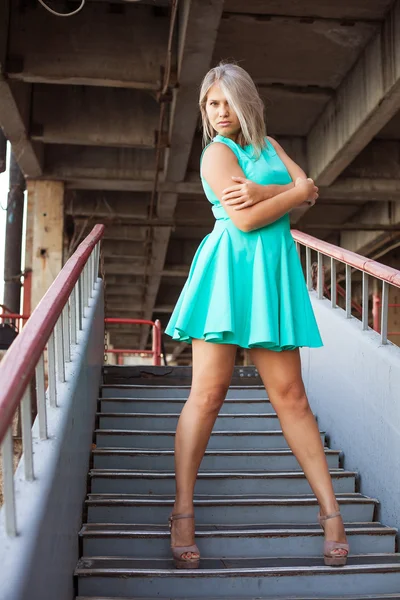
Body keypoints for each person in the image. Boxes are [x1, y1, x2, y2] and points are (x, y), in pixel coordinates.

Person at [164, 62, 349, 569]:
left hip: (272, 274)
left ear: (246, 101)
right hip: (227, 273)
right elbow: (245, 218)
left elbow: (309, 193)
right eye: (211, 104)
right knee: (208, 394)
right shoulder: (215, 156)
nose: (220, 113)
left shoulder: (270, 146)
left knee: (292, 397)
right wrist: (291, 192)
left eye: (227, 102)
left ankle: (331, 514)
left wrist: (276, 192)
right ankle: (182, 511)